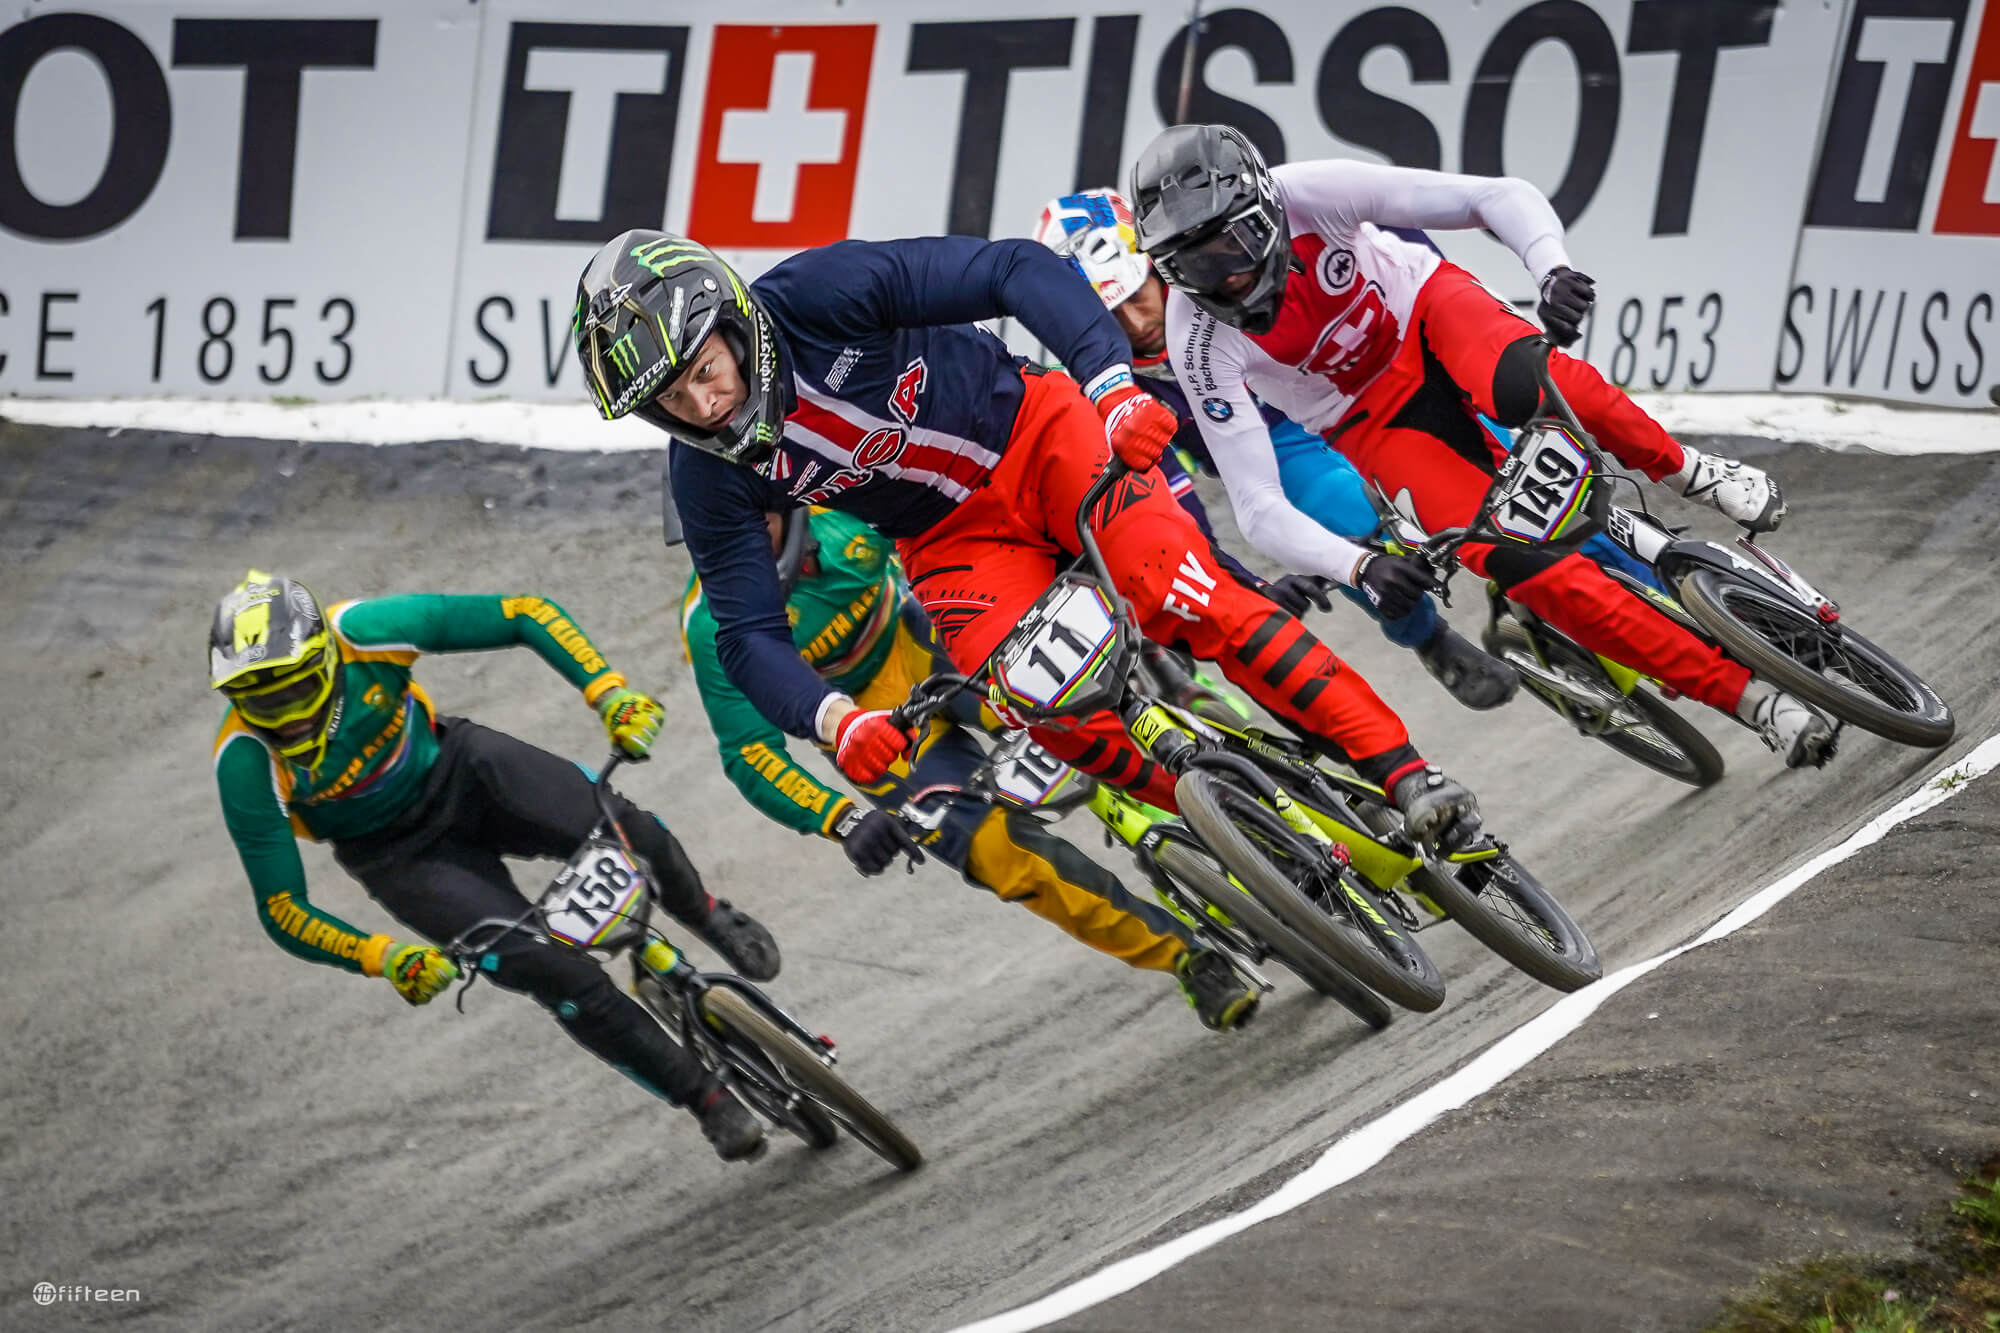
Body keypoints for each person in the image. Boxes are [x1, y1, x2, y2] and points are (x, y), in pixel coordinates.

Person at [572, 229, 1481, 850]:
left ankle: (1407, 774)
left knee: (1183, 593)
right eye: (670, 400)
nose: (702, 405)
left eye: (703, 371)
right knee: (1042, 703)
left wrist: (1113, 386)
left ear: (732, 324)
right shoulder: (706, 475)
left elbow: (1012, 268)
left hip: (1041, 435)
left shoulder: (819, 293)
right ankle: (1251, 830)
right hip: (952, 541)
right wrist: (833, 720)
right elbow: (746, 633)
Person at [1127, 125, 1836, 768]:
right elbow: (1256, 505)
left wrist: (1549, 267)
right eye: (1195, 268)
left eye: (1234, 246)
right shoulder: (1196, 339)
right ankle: (1750, 701)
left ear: (1266, 208)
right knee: (1530, 568)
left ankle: (1692, 472)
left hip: (1426, 314)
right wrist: (1360, 565)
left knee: (1537, 383)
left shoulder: (1311, 192)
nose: (1230, 277)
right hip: (1369, 419)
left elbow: (1497, 196)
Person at [208, 570, 781, 1162]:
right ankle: (706, 1100)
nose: (285, 717)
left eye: (295, 691)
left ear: (325, 656)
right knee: (557, 974)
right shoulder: (245, 762)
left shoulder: (364, 632)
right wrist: (382, 958)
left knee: (630, 830)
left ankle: (705, 912)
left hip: (464, 772)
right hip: (400, 856)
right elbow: (281, 908)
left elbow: (523, 611)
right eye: (259, 701)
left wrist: (610, 694)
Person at [673, 498, 1258, 1029]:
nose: (732, 553)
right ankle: (1187, 959)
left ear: (781, 504)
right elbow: (749, 751)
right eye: (712, 543)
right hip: (867, 724)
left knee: (1063, 700)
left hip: (921, 633)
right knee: (993, 850)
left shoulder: (836, 506)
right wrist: (841, 819)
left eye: (749, 529)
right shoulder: (709, 625)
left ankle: (1241, 785)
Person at [1032, 188, 1516, 711]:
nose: (1135, 325)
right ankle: (1428, 637)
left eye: (1136, 295)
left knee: (1492, 447)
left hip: (1334, 379)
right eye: (1111, 316)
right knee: (1338, 514)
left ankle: (1524, 560)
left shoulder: (1215, 263)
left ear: (1157, 264)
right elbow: (1170, 504)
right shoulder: (1105, 384)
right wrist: (1248, 583)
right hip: (1273, 445)